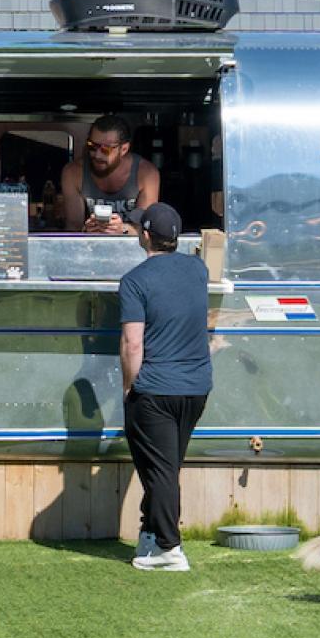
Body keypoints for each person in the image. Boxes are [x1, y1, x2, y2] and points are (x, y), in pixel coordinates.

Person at [119, 202, 212, 572]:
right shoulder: (198, 270)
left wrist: (129, 386)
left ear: (144, 235)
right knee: (165, 467)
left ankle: (169, 549)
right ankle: (151, 533)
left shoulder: (134, 281)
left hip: (156, 388)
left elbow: (132, 344)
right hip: (197, 387)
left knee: (158, 470)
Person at [58, 113, 161, 235]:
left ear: (124, 149)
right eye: (92, 146)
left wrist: (122, 229)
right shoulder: (73, 172)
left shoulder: (146, 174)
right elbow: (73, 226)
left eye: (105, 149)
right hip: (88, 248)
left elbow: (146, 228)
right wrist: (86, 230)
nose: (97, 155)